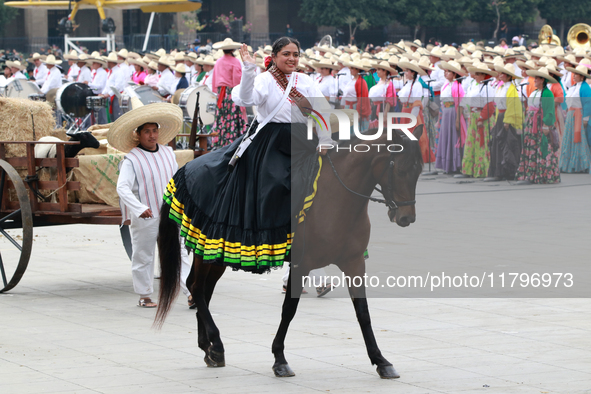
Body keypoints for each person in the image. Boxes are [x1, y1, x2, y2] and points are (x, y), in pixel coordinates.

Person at [161, 37, 334, 276]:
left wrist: (325, 141)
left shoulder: (305, 81)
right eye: (286, 54)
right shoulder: (264, 79)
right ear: (274, 57)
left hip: (303, 142)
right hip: (271, 142)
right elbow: (244, 99)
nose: (292, 58)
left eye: (295, 54)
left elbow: (321, 111)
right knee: (273, 187)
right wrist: (249, 70)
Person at [112, 103, 192, 307]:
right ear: (138, 135)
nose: (152, 135)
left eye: (154, 130)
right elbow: (123, 188)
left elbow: (176, 180)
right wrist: (139, 208)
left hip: (170, 212)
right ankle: (144, 295)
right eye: (146, 131)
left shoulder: (168, 153)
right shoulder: (132, 159)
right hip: (146, 215)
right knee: (144, 254)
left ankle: (191, 291)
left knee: (181, 252)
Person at [515, 67, 560, 184]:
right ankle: (531, 174)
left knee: (542, 148)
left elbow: (549, 111)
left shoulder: (547, 93)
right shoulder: (535, 92)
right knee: (532, 147)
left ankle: (542, 174)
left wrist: (546, 125)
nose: (534, 80)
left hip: (540, 124)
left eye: (537, 78)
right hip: (531, 123)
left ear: (542, 80)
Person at [457, 61, 496, 178]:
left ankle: (483, 170)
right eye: (476, 74)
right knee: (471, 142)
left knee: (482, 144)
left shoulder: (488, 88)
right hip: (473, 116)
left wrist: (481, 118)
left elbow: (490, 105)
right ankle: (469, 170)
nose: (476, 76)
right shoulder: (473, 85)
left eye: (479, 74)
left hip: (482, 117)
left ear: (484, 75)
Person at [486, 63, 523, 181]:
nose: (500, 75)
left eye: (503, 74)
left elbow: (512, 105)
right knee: (498, 144)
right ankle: (498, 171)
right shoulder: (501, 87)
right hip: (500, 116)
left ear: (508, 76)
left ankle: (507, 171)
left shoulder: (511, 89)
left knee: (506, 144)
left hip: (506, 117)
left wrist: (507, 121)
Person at [210, 38, 247, 148]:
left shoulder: (218, 62)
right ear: (232, 50)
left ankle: (221, 140)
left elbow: (214, 80)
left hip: (221, 93)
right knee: (233, 116)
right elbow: (237, 79)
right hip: (232, 92)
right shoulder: (236, 62)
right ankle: (233, 140)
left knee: (222, 116)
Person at [398, 59, 433, 162]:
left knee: (414, 134)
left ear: (413, 72)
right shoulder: (407, 84)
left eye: (407, 71)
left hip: (412, 111)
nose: (405, 73)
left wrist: (413, 116)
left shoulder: (417, 85)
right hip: (405, 110)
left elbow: (417, 102)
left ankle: (416, 156)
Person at [560, 63, 591, 173]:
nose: (574, 76)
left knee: (578, 140)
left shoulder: (585, 88)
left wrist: (585, 119)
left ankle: (580, 165)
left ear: (582, 76)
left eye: (576, 74)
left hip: (579, 115)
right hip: (571, 115)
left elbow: (588, 103)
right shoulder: (573, 87)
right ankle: (569, 164)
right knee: (569, 139)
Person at [436, 61, 466, 174]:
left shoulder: (457, 86)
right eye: (445, 71)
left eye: (448, 71)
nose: (445, 74)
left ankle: (455, 165)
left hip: (453, 112)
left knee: (454, 137)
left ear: (454, 74)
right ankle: (447, 165)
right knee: (446, 137)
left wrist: (458, 119)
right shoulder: (445, 84)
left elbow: (460, 103)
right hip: (446, 112)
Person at [340, 59, 370, 133]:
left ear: (357, 70)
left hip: (355, 108)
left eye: (352, 68)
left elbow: (362, 99)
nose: (350, 70)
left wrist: (358, 113)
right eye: (350, 68)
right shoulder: (352, 80)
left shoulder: (361, 82)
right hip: (348, 107)